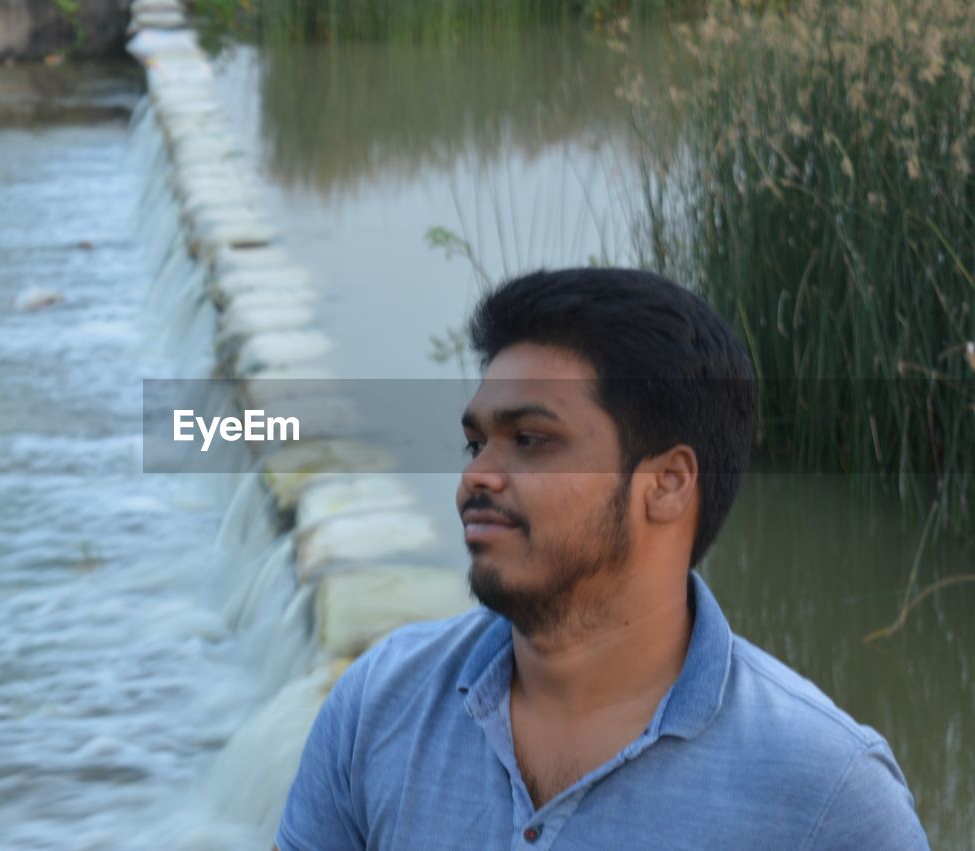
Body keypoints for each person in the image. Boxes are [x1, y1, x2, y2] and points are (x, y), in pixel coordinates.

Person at [274, 268, 929, 849]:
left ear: (667, 483)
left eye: (531, 439)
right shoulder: (381, 703)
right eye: (476, 443)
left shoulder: (827, 794)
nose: (477, 477)